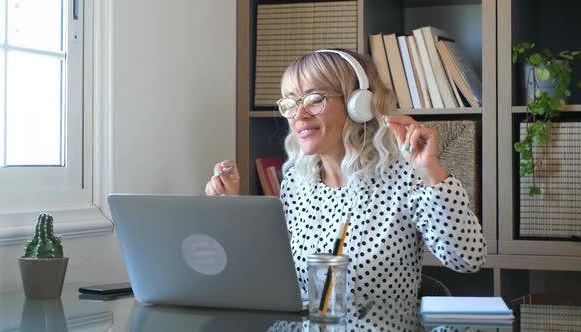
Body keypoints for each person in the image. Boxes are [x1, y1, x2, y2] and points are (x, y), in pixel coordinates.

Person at [205, 49, 486, 301]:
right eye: (290, 103)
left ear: (358, 104)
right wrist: (234, 211)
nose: (298, 115)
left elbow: (468, 258)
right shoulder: (296, 181)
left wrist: (429, 171)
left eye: (314, 99)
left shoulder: (405, 178)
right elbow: (272, 276)